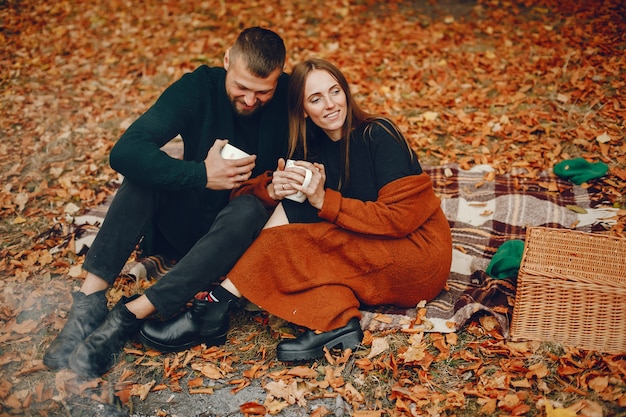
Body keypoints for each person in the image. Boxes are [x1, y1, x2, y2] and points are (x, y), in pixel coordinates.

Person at [139, 58, 453, 361]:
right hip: (371, 252)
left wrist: (322, 200)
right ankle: (338, 324)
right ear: (302, 110)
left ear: (345, 92)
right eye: (316, 99)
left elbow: (399, 220)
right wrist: (276, 186)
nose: (330, 105)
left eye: (334, 92)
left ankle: (214, 307)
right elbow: (264, 201)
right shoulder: (311, 152)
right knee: (298, 211)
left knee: (309, 241)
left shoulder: (378, 134)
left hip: (418, 256)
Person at [43, 27, 289, 378]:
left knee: (248, 209)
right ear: (225, 63)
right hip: (186, 222)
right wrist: (201, 175)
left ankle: (126, 317)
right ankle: (88, 305)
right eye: (242, 88)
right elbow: (126, 150)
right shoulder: (199, 87)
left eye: (262, 92)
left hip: (240, 237)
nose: (250, 100)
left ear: (279, 79)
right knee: (143, 178)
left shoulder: (290, 99)